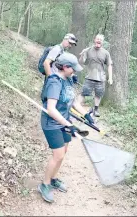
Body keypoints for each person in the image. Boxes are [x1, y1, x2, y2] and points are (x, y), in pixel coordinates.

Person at [38, 52, 94, 203]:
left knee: (65, 151)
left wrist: (86, 115)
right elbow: (51, 109)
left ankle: (53, 178)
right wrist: (69, 125)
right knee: (59, 155)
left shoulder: (69, 80)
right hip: (52, 123)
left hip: (64, 121)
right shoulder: (54, 82)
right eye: (73, 68)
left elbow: (74, 102)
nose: (75, 71)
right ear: (64, 67)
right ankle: (45, 184)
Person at [78, 34, 113, 117]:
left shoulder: (106, 53)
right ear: (95, 40)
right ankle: (76, 105)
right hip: (89, 77)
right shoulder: (88, 50)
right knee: (84, 93)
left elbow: (109, 65)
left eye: (101, 39)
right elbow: (81, 62)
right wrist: (82, 54)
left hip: (101, 78)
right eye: (97, 39)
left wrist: (110, 78)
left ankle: (96, 109)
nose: (99, 40)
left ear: (102, 42)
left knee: (99, 94)